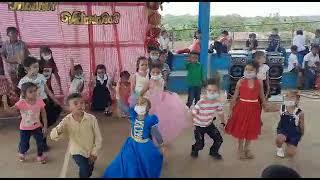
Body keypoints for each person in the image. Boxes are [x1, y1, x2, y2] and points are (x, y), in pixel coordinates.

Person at [102, 97, 164, 178]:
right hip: (132, 143)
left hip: (144, 145)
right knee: (128, 160)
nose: (139, 106)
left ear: (148, 108)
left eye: (142, 105)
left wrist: (161, 144)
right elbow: (124, 107)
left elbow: (156, 132)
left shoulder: (150, 119)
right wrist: (118, 98)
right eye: (138, 104)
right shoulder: (134, 116)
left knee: (145, 162)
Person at [50, 93, 102, 178]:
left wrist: (94, 152)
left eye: (82, 103)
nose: (80, 105)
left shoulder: (92, 119)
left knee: (89, 170)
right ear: (69, 107)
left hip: (90, 150)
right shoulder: (66, 121)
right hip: (77, 150)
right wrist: (58, 130)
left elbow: (98, 137)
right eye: (75, 103)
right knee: (84, 168)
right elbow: (53, 136)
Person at [18, 56, 62, 151]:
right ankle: (23, 145)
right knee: (29, 127)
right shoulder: (23, 81)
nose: (37, 69)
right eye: (34, 67)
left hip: (42, 104)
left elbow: (48, 91)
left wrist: (56, 101)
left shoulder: (41, 77)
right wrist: (20, 108)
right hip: (30, 108)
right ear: (27, 68)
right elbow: (22, 96)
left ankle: (42, 144)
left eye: (37, 67)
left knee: (41, 125)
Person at [225, 62, 267, 160]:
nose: (248, 72)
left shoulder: (259, 82)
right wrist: (230, 109)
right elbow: (235, 96)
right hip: (242, 108)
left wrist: (265, 104)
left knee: (251, 129)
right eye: (246, 69)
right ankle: (240, 149)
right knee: (242, 128)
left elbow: (261, 95)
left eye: (251, 70)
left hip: (254, 109)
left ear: (256, 71)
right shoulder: (240, 82)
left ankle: (247, 148)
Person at [145, 63, 191, 144]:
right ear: (150, 73)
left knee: (160, 121)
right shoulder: (149, 81)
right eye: (153, 72)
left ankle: (159, 139)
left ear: (161, 73)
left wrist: (167, 92)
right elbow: (143, 91)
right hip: (151, 103)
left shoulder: (162, 81)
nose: (155, 74)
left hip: (160, 103)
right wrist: (141, 98)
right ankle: (151, 138)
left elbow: (161, 90)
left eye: (157, 72)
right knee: (150, 121)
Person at [2, 82, 47, 163]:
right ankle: (22, 152)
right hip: (24, 128)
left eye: (35, 90)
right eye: (30, 91)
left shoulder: (39, 101)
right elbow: (9, 111)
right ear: (24, 93)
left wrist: (45, 126)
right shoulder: (21, 103)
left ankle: (40, 155)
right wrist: (5, 103)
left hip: (37, 127)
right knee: (24, 143)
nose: (34, 93)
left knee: (40, 142)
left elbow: (43, 114)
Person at [190, 78, 225, 160]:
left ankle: (213, 152)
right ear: (205, 91)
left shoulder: (217, 102)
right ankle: (195, 149)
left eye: (215, 91)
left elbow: (221, 113)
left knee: (219, 139)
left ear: (218, 92)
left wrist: (223, 123)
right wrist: (193, 123)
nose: (212, 92)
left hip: (209, 124)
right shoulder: (201, 102)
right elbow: (193, 113)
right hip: (199, 126)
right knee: (200, 145)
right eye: (209, 90)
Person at [265, 90, 304, 158]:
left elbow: (302, 125)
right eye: (287, 97)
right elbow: (267, 109)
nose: (289, 99)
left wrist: (301, 134)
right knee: (279, 139)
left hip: (294, 133)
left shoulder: (300, 112)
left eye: (292, 97)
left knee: (291, 154)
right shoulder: (282, 107)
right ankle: (279, 148)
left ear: (297, 100)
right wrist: (265, 101)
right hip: (282, 130)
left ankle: (289, 142)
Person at [38, 46, 63, 131]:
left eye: (48, 53)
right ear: (41, 55)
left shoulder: (52, 64)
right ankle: (42, 123)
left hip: (48, 88)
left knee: (54, 105)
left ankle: (50, 122)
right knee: (43, 106)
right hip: (40, 90)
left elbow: (56, 75)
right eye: (44, 53)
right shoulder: (38, 64)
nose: (47, 55)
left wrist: (60, 87)